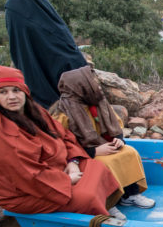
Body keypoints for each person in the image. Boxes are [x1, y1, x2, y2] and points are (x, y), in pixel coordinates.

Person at [0, 65, 122, 217]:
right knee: (86, 197)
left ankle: (106, 204)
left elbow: (64, 135)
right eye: (3, 92)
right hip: (26, 192)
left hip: (56, 168)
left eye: (16, 90)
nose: (11, 97)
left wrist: (73, 161)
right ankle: (98, 215)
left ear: (24, 91)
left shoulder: (34, 111)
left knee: (98, 168)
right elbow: (26, 176)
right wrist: (66, 181)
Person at [52, 66, 154, 219]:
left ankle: (129, 194)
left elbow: (115, 126)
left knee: (129, 152)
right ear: (80, 86)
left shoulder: (98, 101)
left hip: (104, 145)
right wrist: (94, 152)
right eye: (92, 82)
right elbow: (61, 144)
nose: (96, 85)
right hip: (80, 155)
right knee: (104, 163)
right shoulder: (63, 112)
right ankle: (108, 203)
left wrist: (118, 140)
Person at [5, 0, 87, 108]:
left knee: (75, 61)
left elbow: (57, 26)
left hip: (52, 47)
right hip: (34, 51)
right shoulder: (14, 9)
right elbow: (20, 38)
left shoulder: (41, 1)